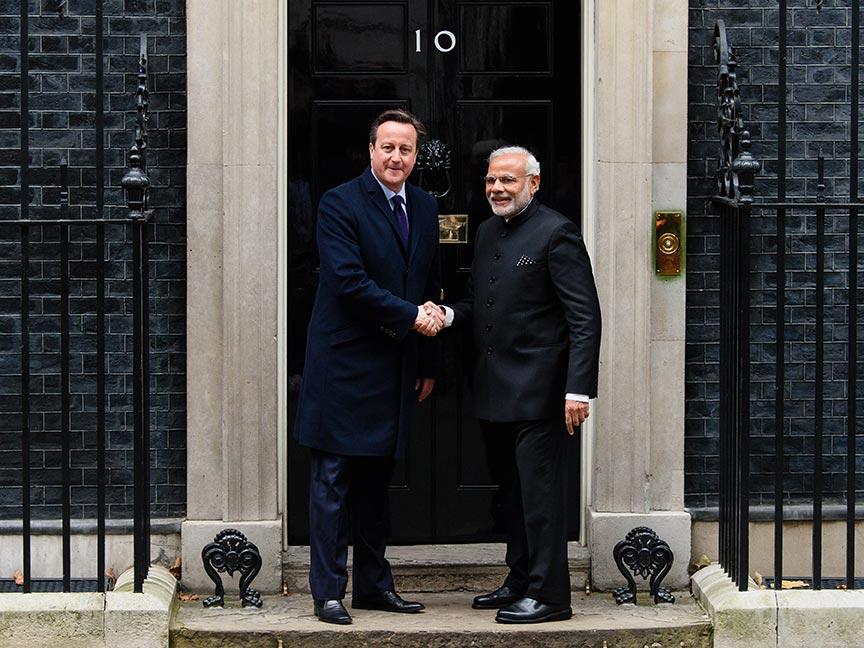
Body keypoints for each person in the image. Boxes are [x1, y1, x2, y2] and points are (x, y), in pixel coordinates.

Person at [434, 146, 601, 624]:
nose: (497, 189)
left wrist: (578, 389)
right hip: (493, 390)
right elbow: (476, 302)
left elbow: (584, 318)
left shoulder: (557, 232)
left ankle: (550, 595)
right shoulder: (487, 232)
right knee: (512, 496)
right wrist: (445, 315)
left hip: (542, 394)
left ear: (534, 182)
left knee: (541, 499)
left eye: (507, 180)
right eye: (491, 181)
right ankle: (520, 579)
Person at [293, 109, 445, 625]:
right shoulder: (339, 202)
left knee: (377, 485)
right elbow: (346, 280)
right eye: (388, 147)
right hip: (343, 365)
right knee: (333, 482)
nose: (396, 157)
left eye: (406, 149)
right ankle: (328, 591)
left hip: (396, 363)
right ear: (371, 150)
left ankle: (375, 588)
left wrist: (427, 357)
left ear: (416, 156)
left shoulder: (424, 206)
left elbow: (429, 283)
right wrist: (413, 319)